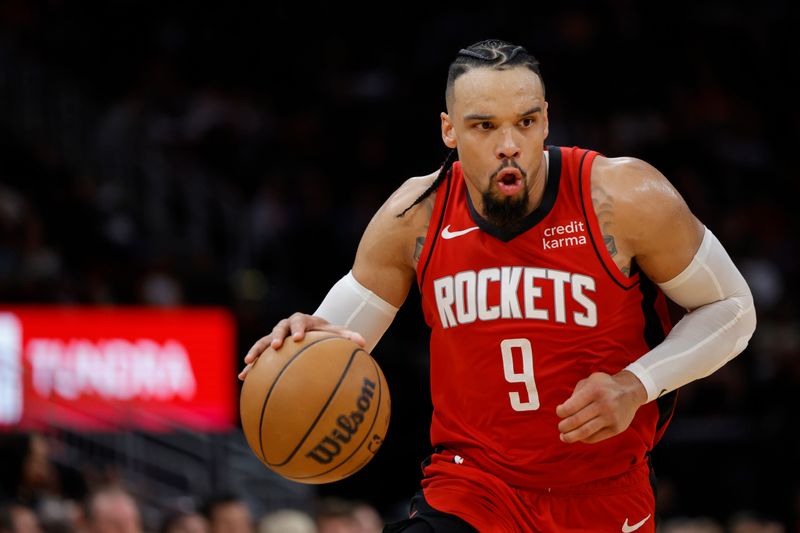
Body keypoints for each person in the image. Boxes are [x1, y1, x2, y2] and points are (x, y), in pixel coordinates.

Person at [239, 39, 756, 532]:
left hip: (601, 491)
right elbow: (340, 343)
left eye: (526, 123)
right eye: (484, 126)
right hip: (472, 487)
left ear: (546, 119)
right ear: (449, 130)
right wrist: (308, 340)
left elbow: (733, 308)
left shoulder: (624, 197)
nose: (509, 146)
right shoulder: (414, 216)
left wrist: (635, 383)